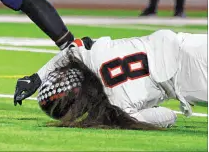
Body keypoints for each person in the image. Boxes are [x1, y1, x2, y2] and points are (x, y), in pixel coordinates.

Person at [13, 30, 207, 129]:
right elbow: (75, 47)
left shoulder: (116, 106)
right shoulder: (92, 55)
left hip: (188, 81)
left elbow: (168, 117)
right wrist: (37, 77)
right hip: (184, 43)